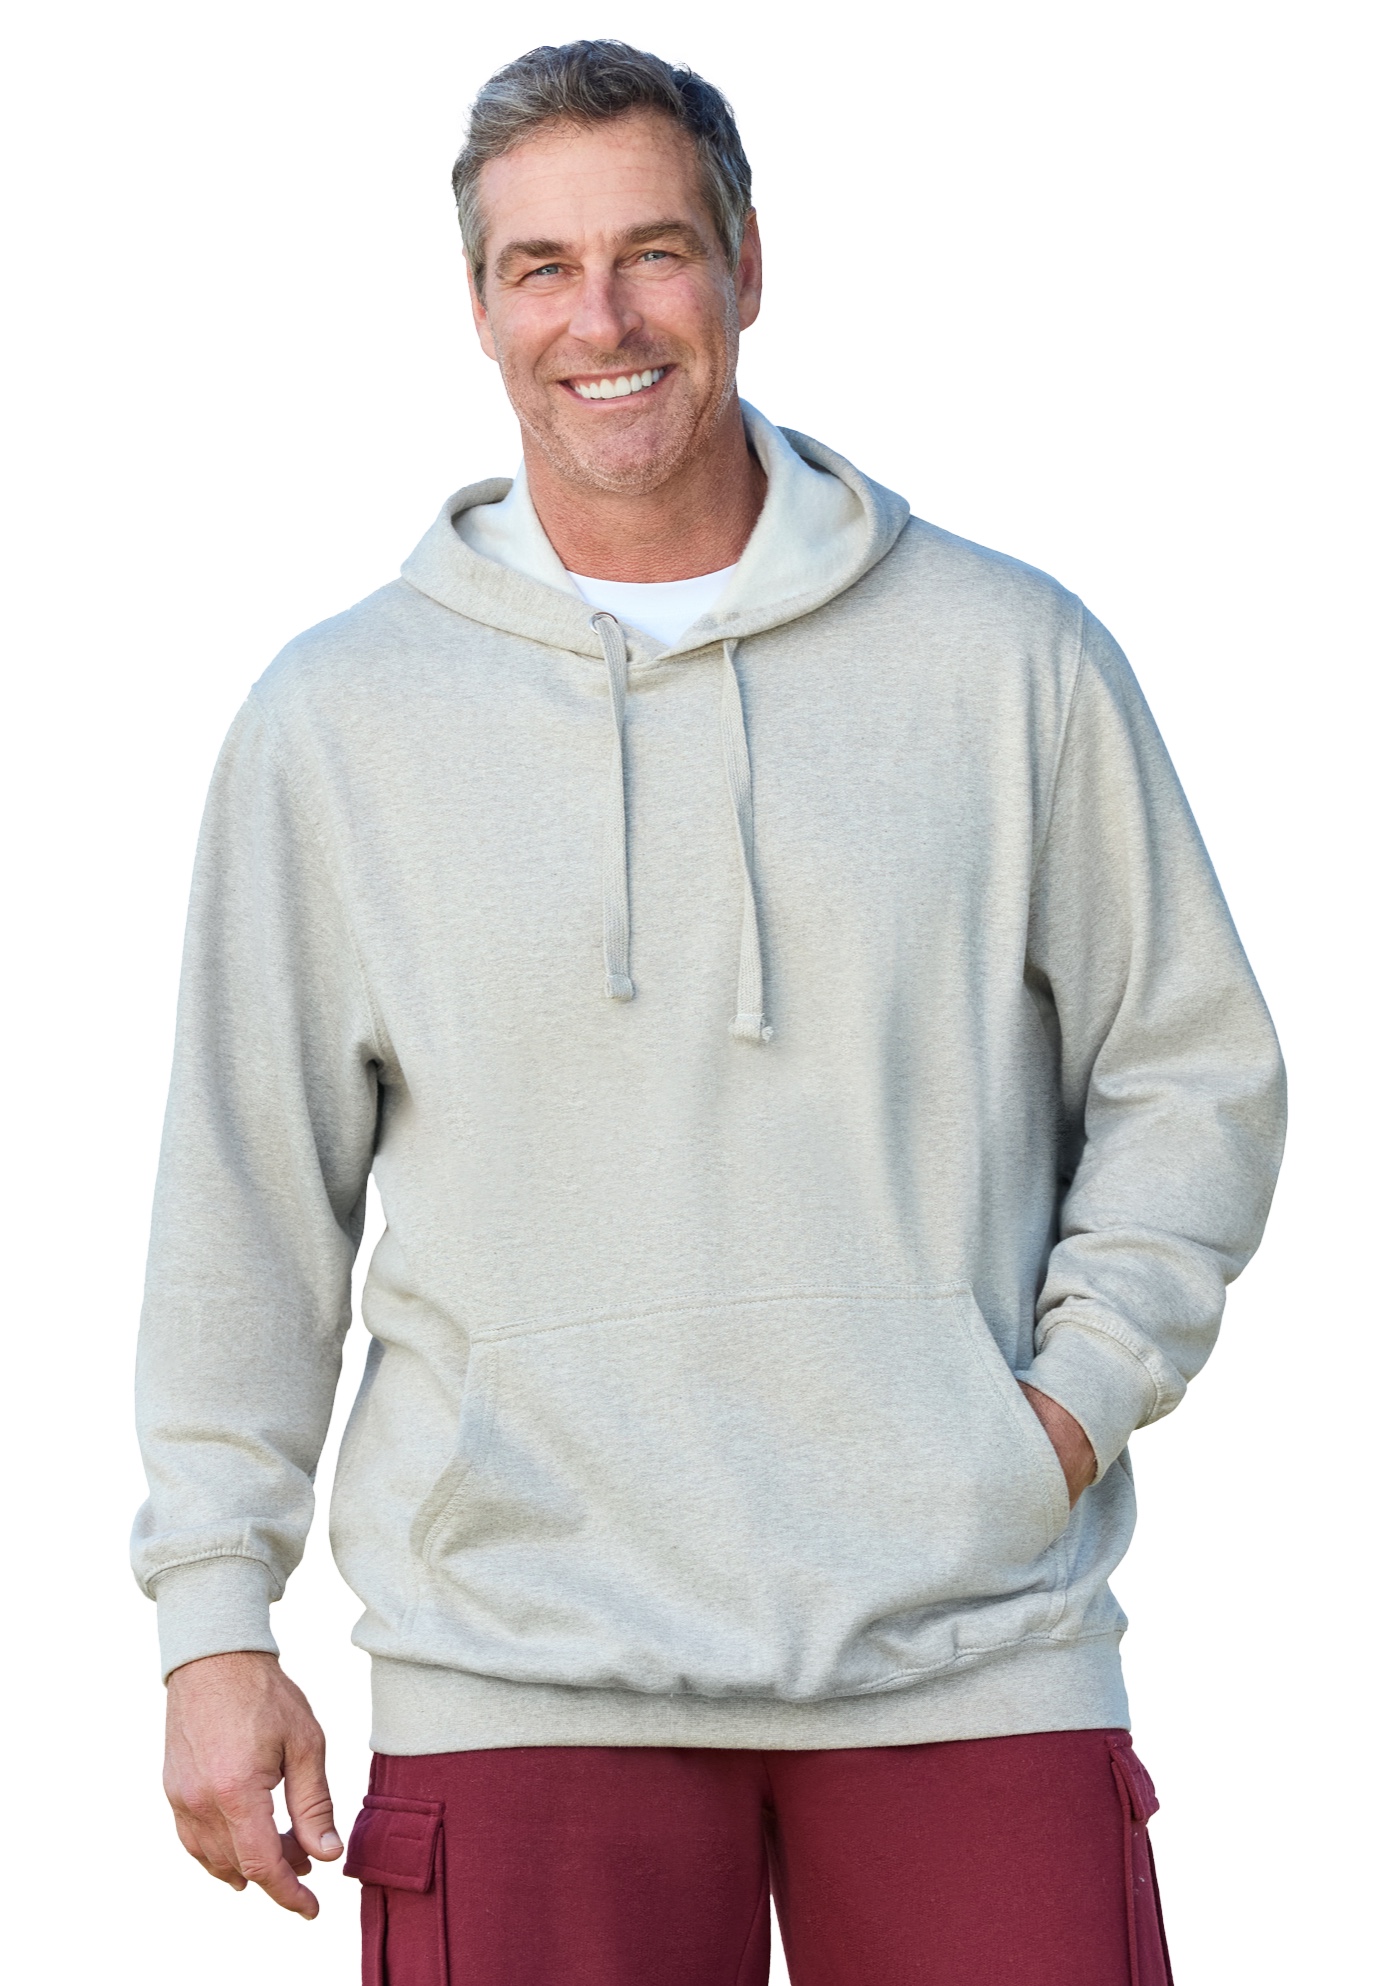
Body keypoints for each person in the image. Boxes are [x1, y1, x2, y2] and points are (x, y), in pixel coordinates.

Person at [133, 39, 1286, 1986]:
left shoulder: (1008, 660)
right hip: (522, 1664)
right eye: (543, 267)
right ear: (481, 308)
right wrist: (210, 1618)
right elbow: (247, 1201)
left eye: (654, 253)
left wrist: (1064, 1408)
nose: (601, 320)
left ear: (748, 267)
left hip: (971, 1648)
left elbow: (1193, 1069)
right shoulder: (339, 724)